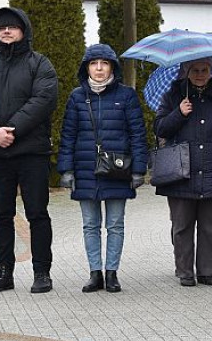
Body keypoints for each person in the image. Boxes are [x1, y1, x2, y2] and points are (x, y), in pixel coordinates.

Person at [0, 7, 58, 294]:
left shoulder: (40, 65)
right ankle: (3, 272)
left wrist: (12, 130)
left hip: (31, 153)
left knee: (37, 214)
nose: (6, 31)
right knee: (1, 216)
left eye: (12, 27)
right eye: (1, 27)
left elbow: (44, 99)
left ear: (23, 31)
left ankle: (42, 272)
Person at [57, 43, 149, 293]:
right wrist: (66, 170)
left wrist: (139, 169)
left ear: (112, 67)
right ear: (86, 67)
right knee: (90, 224)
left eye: (104, 63)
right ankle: (95, 272)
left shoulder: (126, 95)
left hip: (117, 170)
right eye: (93, 63)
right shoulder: (77, 96)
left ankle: (112, 273)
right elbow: (68, 136)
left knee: (116, 224)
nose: (99, 68)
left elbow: (138, 135)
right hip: (85, 168)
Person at [154, 57, 212, 287]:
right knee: (182, 225)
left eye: (205, 70)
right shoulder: (172, 97)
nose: (200, 74)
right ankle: (184, 271)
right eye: (195, 70)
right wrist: (179, 113)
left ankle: (206, 270)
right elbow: (160, 129)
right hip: (180, 172)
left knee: (210, 226)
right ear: (186, 71)